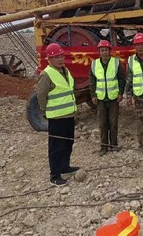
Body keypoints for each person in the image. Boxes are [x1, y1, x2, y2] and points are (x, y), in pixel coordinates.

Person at [37, 43, 79, 186]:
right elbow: (41, 95)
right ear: (49, 59)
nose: (60, 59)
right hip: (56, 118)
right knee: (56, 147)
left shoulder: (65, 71)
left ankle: (64, 167)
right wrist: (45, 110)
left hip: (68, 115)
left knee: (68, 143)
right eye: (56, 57)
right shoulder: (47, 74)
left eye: (61, 56)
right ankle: (55, 175)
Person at [89, 40, 126, 156]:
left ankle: (114, 145)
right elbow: (92, 81)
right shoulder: (94, 64)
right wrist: (93, 95)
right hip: (100, 99)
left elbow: (121, 79)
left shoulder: (116, 63)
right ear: (99, 52)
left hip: (113, 98)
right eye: (102, 50)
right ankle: (103, 147)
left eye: (106, 50)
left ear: (110, 51)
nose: (104, 52)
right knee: (102, 123)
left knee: (113, 122)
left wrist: (120, 93)